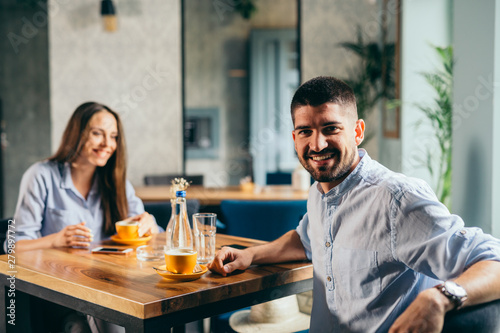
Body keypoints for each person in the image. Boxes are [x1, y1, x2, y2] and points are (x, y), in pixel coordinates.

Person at [208, 76, 500, 332]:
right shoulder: (319, 192)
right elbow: (306, 240)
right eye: (305, 131)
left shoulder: (396, 199)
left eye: (331, 128)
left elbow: (495, 263)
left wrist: (439, 297)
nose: (317, 144)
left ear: (357, 131)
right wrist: (250, 255)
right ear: (294, 138)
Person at [9, 101, 160, 333]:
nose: (107, 144)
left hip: (110, 283)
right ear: (77, 134)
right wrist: (54, 240)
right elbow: (12, 248)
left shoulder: (115, 182)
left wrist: (148, 223)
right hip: (59, 288)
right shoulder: (40, 176)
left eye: (114, 136)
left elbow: (149, 230)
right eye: (97, 134)